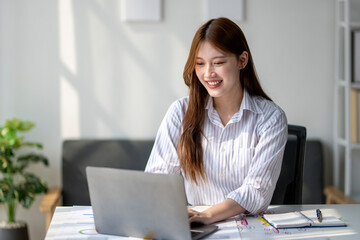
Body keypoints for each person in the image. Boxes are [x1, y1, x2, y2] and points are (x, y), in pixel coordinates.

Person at [145, 17, 287, 225]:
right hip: (195, 225)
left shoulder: (270, 117)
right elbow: (156, 180)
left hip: (248, 227)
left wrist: (207, 216)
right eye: (200, 64)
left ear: (242, 60)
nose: (208, 73)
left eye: (218, 62)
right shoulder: (180, 112)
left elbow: (257, 191)